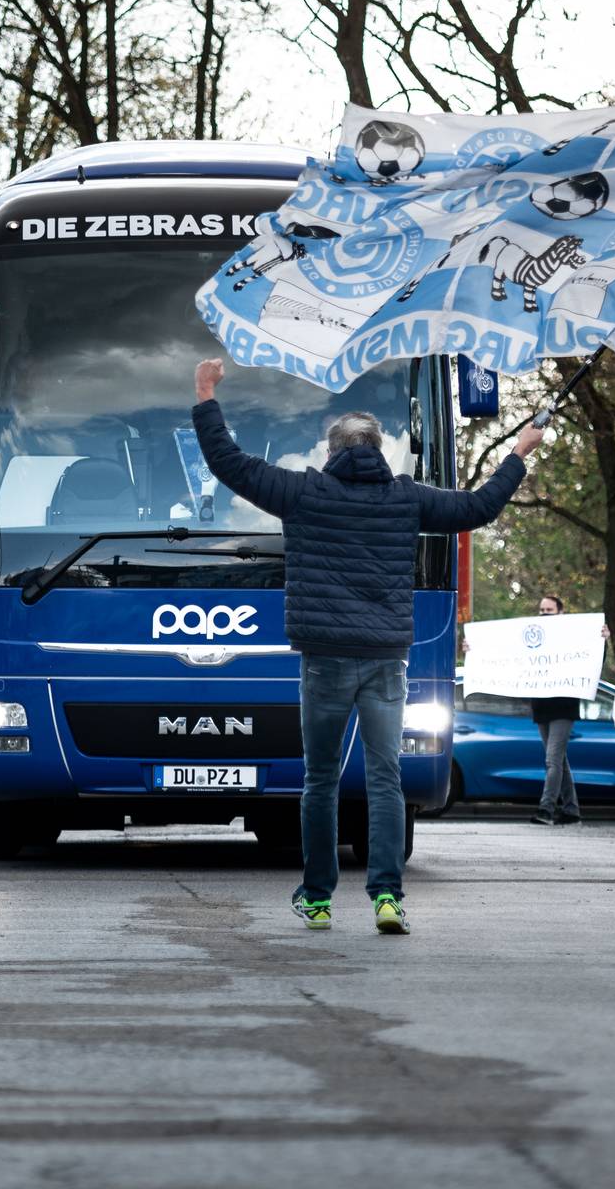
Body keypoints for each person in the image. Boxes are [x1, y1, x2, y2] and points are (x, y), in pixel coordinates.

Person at [195, 357, 533, 936]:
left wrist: (206, 394)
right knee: (385, 779)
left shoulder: (302, 494)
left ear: (331, 451)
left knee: (320, 782)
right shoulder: (407, 499)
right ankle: (387, 898)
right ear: (380, 450)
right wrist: (519, 453)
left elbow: (228, 463)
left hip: (323, 659)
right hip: (384, 660)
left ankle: (319, 897)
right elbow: (479, 506)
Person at [528, 594, 585, 827]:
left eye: (549, 610)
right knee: (559, 761)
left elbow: (589, 659)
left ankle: (546, 809)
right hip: (542, 707)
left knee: (552, 760)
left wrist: (602, 639)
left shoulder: (572, 636)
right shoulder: (532, 637)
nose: (544, 613)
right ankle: (571, 810)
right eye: (541, 609)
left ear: (560, 612)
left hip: (563, 707)